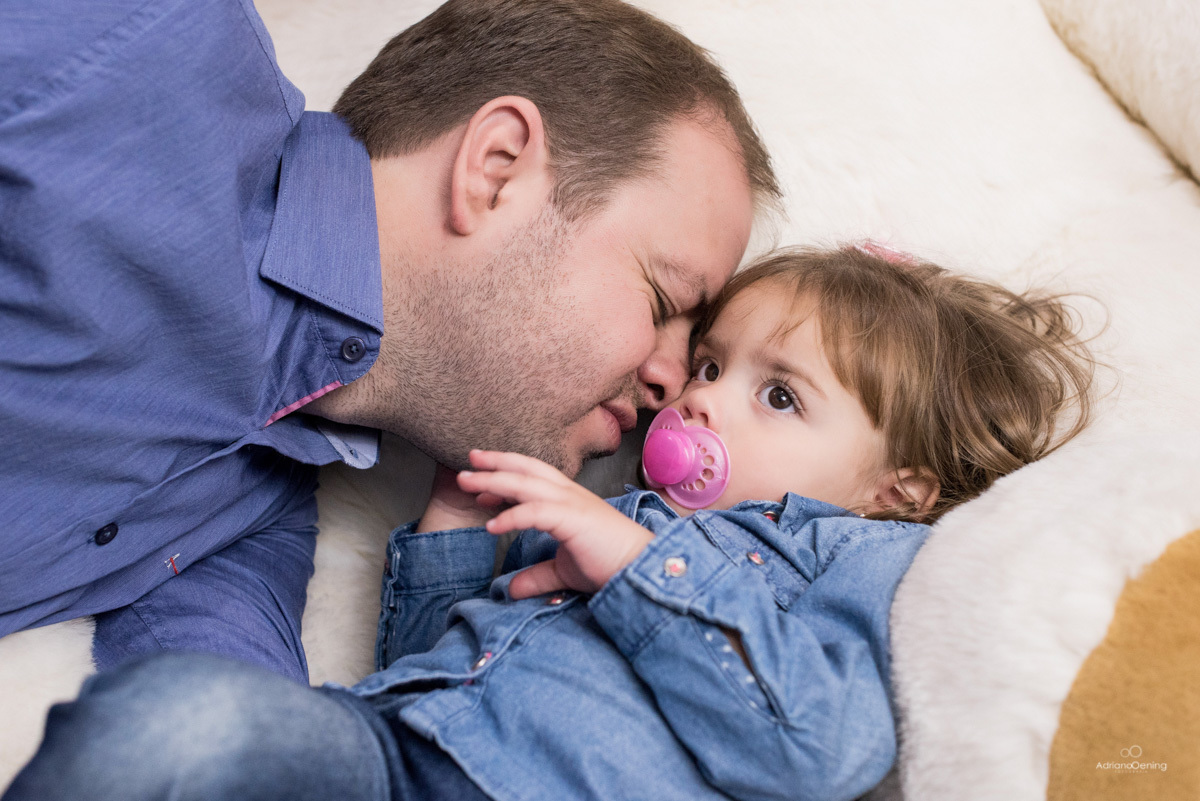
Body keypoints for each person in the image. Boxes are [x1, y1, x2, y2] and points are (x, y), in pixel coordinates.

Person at [4, 245, 1096, 801]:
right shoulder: (611, 511)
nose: (701, 399)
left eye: (778, 396)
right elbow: (439, 669)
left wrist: (636, 565)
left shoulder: (863, 559)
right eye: (710, 365)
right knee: (179, 715)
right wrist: (449, 533)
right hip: (393, 756)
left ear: (896, 484)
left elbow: (816, 751)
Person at [0, 0, 777, 682]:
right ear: (496, 170)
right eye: (663, 298)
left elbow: (238, 741)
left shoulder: (254, 518)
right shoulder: (143, 40)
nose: (673, 384)